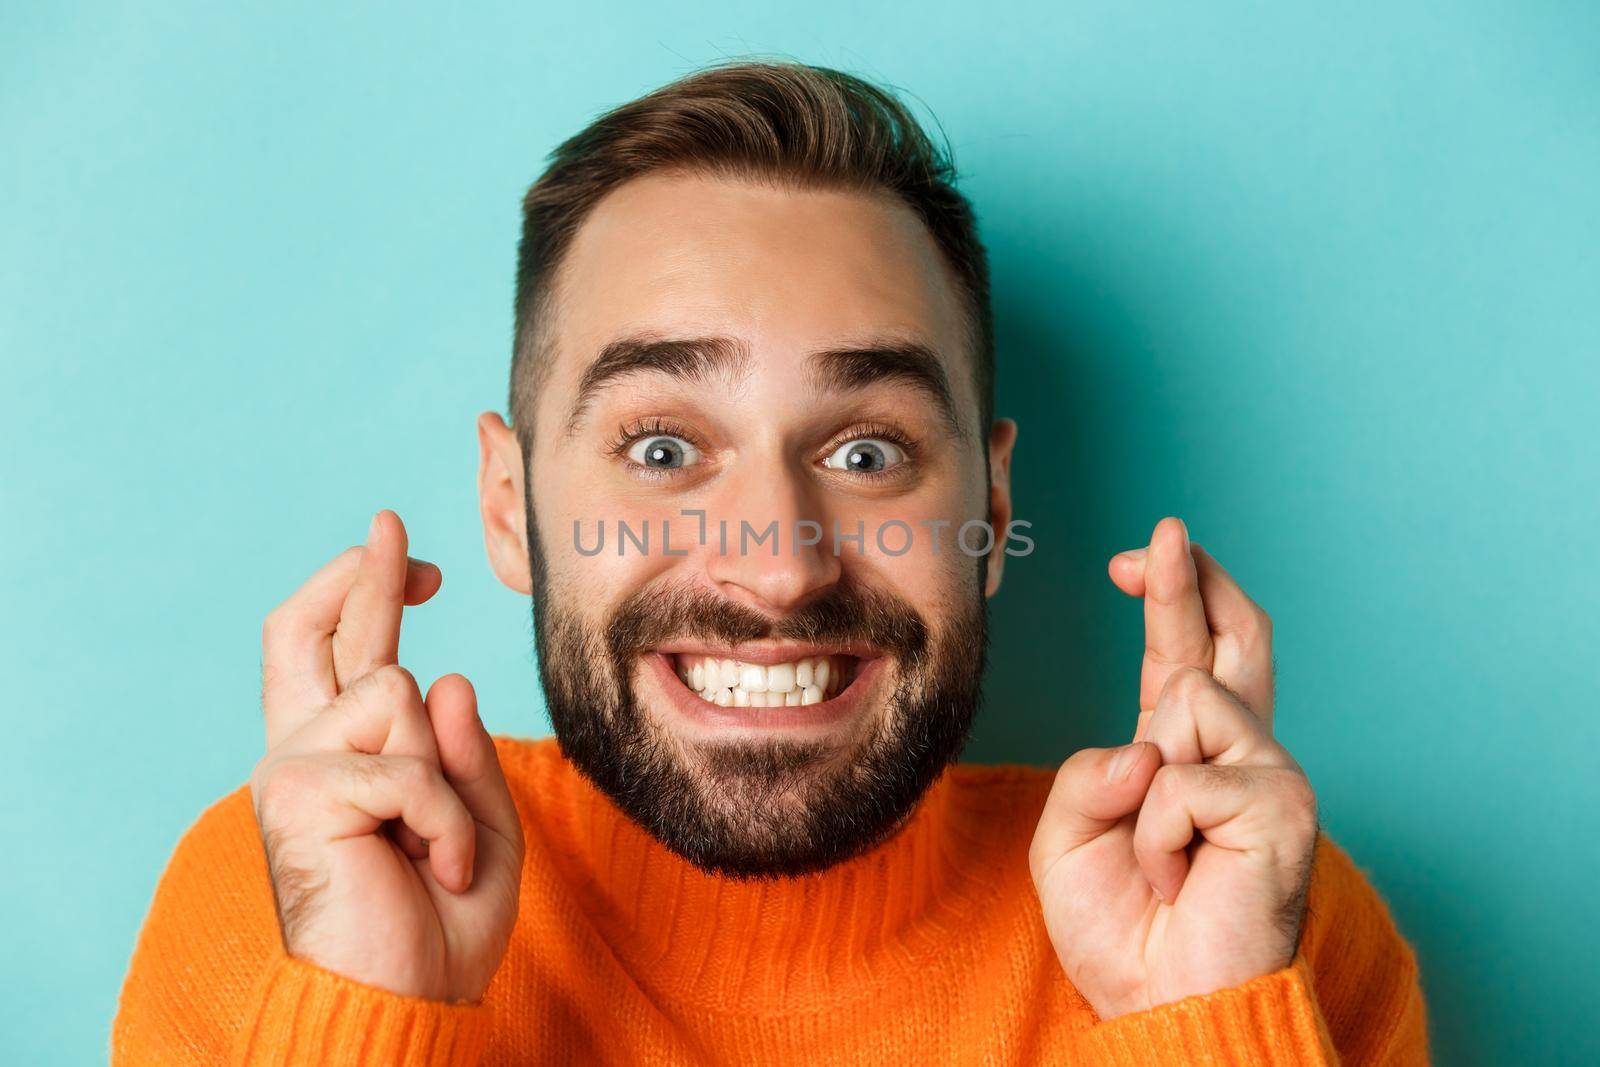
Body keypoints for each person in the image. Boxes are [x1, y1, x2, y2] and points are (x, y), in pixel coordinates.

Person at [112, 59, 1430, 1064]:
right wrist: (366, 1013)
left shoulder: (1263, 934)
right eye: (663, 448)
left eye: (866, 454)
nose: (782, 569)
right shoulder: (280, 908)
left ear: (991, 504)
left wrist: (1197, 1025)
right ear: (510, 508)